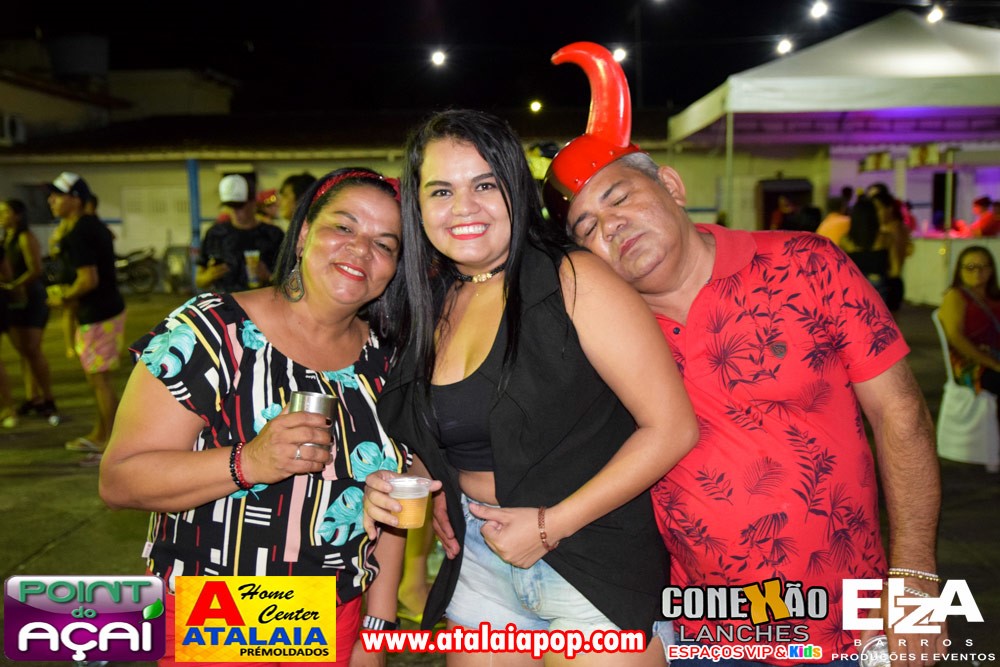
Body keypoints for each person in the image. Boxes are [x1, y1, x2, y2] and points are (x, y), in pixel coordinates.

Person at [540, 42, 945, 666]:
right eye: (587, 226)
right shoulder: (603, 332)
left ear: (670, 185)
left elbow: (901, 414)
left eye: (618, 198)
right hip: (707, 635)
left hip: (851, 628)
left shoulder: (808, 263)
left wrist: (914, 579)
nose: (609, 226)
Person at [363, 108, 698, 665]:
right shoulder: (430, 303)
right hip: (480, 557)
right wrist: (412, 481)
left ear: (516, 188)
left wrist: (549, 527)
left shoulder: (574, 278)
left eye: (485, 185)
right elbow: (453, 432)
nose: (464, 207)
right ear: (417, 207)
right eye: (441, 191)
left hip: (593, 555)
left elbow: (671, 428)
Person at [99, 167, 408, 667]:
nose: (360, 250)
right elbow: (119, 480)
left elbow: (394, 498)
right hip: (220, 617)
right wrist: (249, 462)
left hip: (338, 616)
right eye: (343, 227)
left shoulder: (387, 360)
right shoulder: (210, 332)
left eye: (385, 243)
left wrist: (376, 628)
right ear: (303, 233)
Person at [46, 171, 126, 466]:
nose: (51, 200)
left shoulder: (81, 231)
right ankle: (100, 433)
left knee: (100, 381)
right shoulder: (87, 226)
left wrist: (63, 297)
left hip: (98, 314)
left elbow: (87, 279)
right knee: (97, 380)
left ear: (76, 199)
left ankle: (111, 443)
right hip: (102, 311)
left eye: (58, 196)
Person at [0, 199, 58, 423]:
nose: (1, 215)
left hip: (31, 299)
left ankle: (48, 398)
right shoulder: (7, 238)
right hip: (13, 299)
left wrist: (14, 285)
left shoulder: (25, 237)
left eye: (5, 211)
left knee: (33, 350)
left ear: (18, 215)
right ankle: (32, 397)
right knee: (23, 351)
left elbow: (36, 269)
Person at [196, 174, 285, 293]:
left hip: (261, 301)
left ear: (253, 203)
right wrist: (209, 276)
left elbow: (290, 281)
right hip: (226, 301)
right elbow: (199, 280)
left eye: (239, 206)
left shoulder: (273, 235)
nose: (234, 211)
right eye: (230, 206)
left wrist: (268, 277)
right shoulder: (215, 234)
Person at [938, 245, 1000, 409]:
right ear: (960, 270)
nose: (977, 272)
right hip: (971, 363)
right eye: (970, 267)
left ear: (991, 270)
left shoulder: (995, 297)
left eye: (982, 266)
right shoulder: (955, 296)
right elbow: (955, 337)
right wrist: (993, 364)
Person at [838, 196, 891, 304]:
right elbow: (893, 269)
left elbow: (840, 269)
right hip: (878, 286)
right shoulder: (884, 238)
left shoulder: (845, 241)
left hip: (853, 287)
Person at [871, 191, 913, 311]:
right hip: (890, 282)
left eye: (878, 209)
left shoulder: (893, 230)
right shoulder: (895, 228)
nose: (875, 214)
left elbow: (896, 266)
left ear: (889, 209)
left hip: (889, 282)